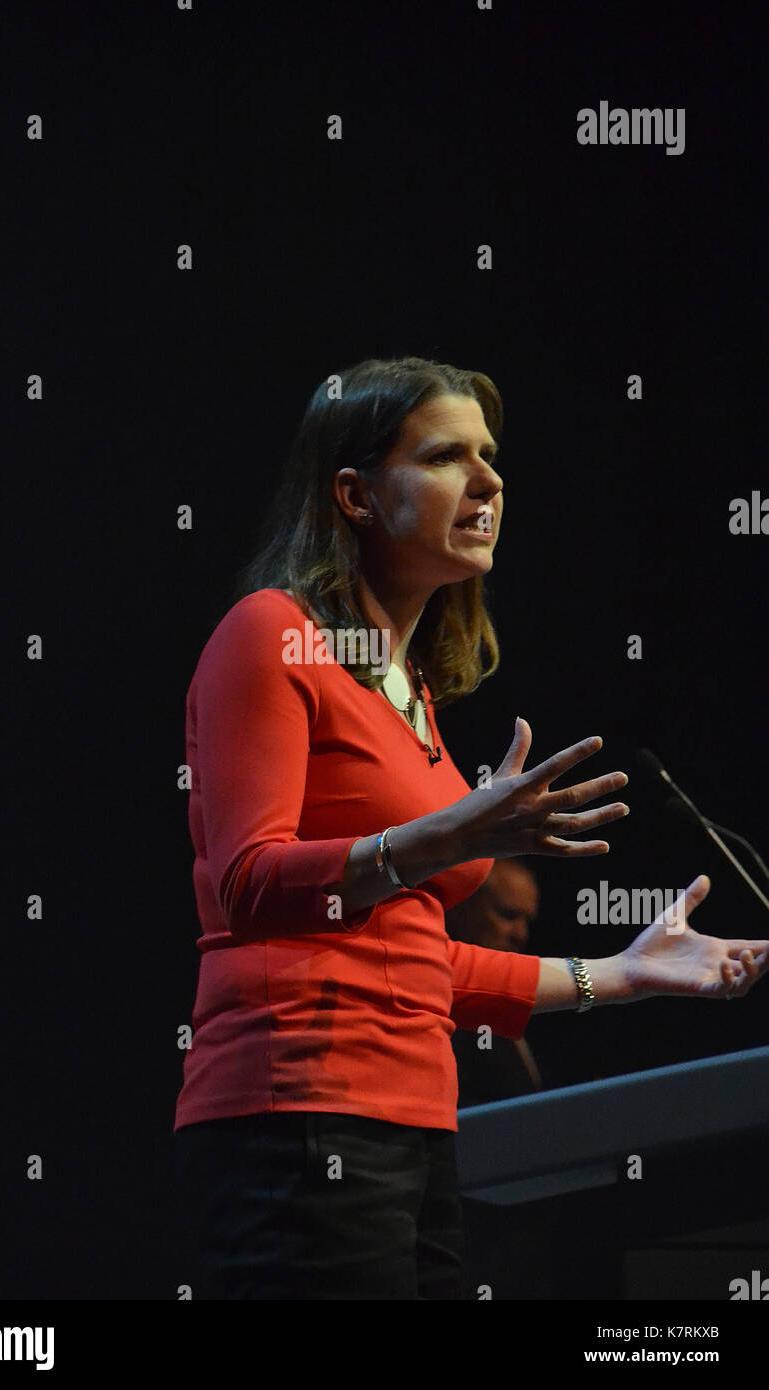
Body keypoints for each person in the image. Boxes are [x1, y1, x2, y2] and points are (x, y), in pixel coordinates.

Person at [172, 355, 768, 1301]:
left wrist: (622, 974)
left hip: (419, 1125)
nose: (489, 481)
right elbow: (248, 885)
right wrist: (447, 837)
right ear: (356, 494)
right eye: (448, 456)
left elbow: (414, 961)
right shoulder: (271, 634)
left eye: (490, 456)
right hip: (299, 1117)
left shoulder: (415, 706)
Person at [446, 858, 544, 1106]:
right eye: (508, 915)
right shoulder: (435, 1005)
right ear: (462, 907)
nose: (521, 934)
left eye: (527, 921)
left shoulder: (511, 1004)